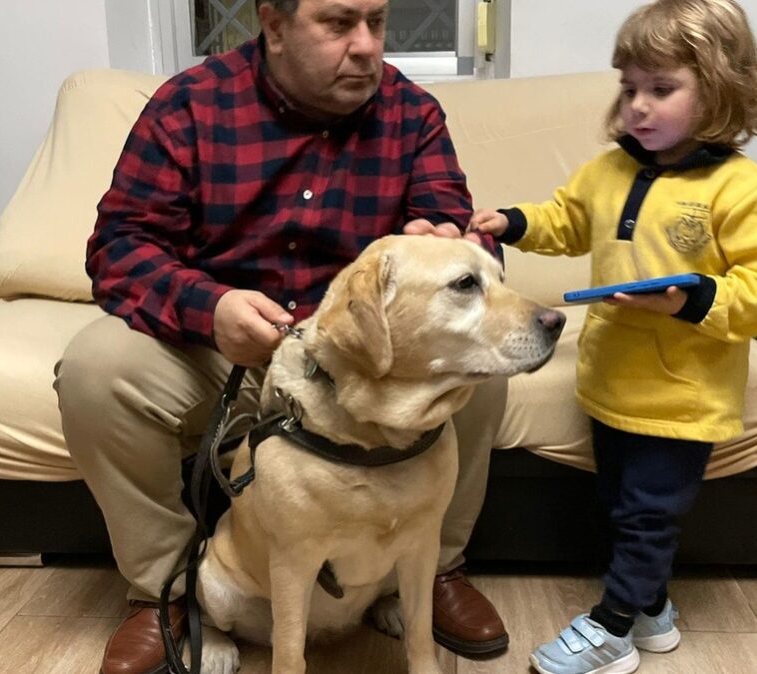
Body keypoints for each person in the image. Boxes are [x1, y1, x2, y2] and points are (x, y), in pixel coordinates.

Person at [52, 1, 510, 673]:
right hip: (219, 349)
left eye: (377, 22)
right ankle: (165, 593)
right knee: (95, 370)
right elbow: (120, 247)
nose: (366, 47)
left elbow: (446, 224)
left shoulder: (412, 115)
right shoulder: (187, 106)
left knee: (475, 360)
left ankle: (433, 569)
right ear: (272, 25)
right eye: (338, 23)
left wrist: (444, 239)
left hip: (351, 353)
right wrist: (208, 308)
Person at [436, 1, 757, 672]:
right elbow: (568, 221)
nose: (637, 105)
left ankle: (611, 629)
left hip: (683, 398)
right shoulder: (609, 170)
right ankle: (652, 613)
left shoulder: (744, 190)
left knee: (646, 517)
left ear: (720, 87)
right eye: (629, 87)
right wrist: (513, 222)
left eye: (660, 89)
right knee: (618, 506)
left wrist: (693, 298)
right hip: (609, 384)